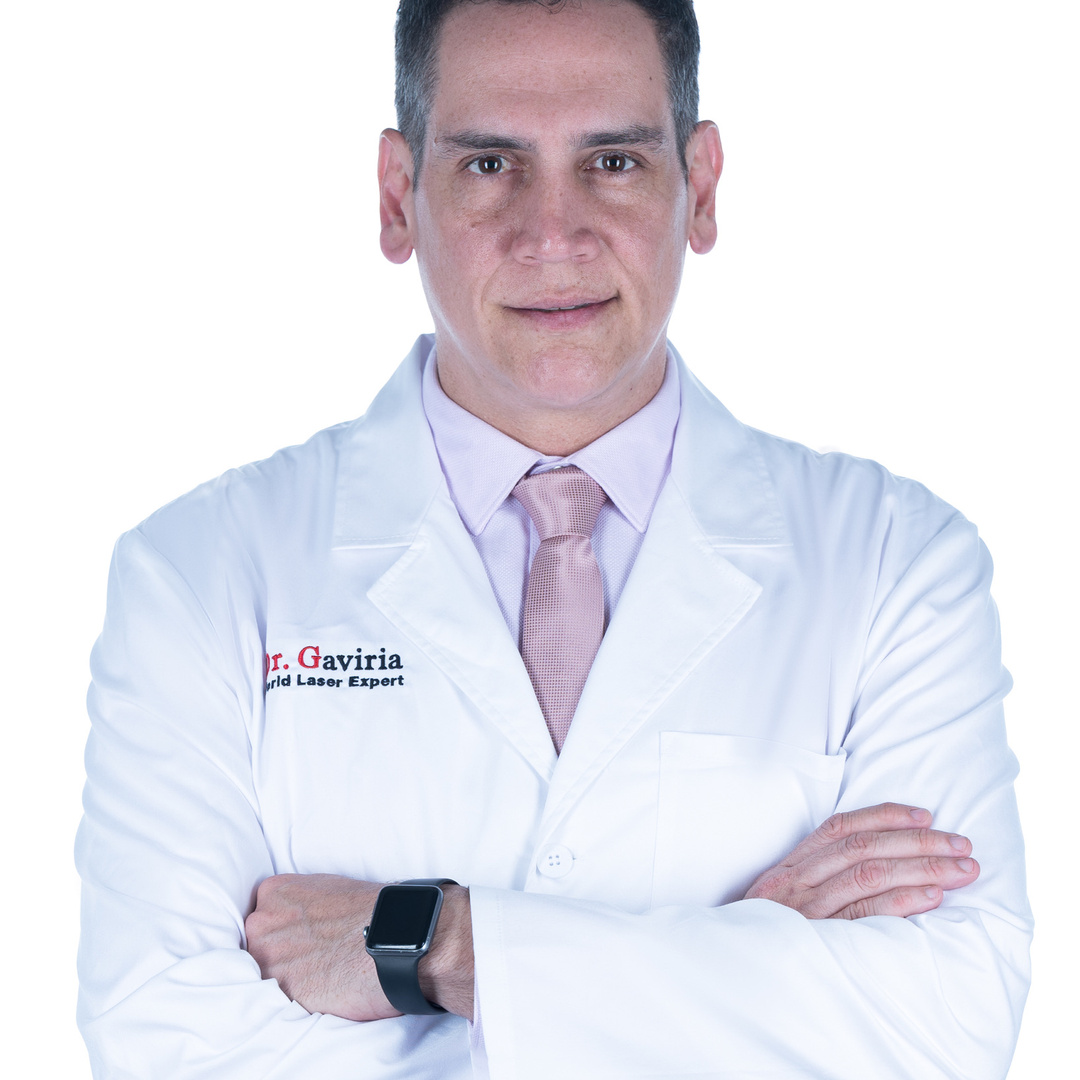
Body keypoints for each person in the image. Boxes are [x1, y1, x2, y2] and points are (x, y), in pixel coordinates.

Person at [75, 1, 1032, 1077]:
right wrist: (747, 963)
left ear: (701, 187)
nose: (553, 234)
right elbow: (166, 1041)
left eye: (613, 162)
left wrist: (440, 946)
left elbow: (941, 1029)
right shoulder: (201, 573)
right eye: (490, 166)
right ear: (397, 197)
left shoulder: (896, 563)